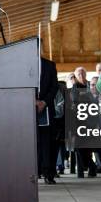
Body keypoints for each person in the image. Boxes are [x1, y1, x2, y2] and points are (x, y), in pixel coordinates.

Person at [37, 56, 59, 184]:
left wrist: (44, 102)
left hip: (46, 108)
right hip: (28, 106)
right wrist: (33, 101)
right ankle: (34, 171)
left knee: (47, 142)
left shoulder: (49, 65)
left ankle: (48, 173)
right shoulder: (23, 63)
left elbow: (54, 87)